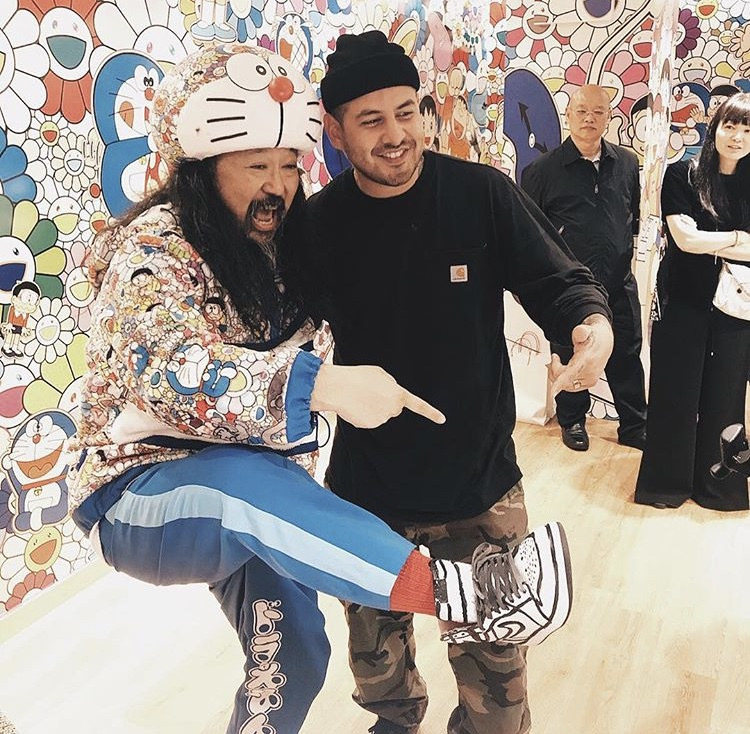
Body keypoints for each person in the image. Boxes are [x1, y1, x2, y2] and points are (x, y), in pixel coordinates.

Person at [67, 43, 575, 734]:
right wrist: (319, 385)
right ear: (200, 168)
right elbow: (162, 364)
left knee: (294, 654)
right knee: (249, 487)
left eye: (287, 165)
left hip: (288, 497)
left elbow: (546, 279)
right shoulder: (159, 245)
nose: (277, 185)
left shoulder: (286, 245)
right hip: (142, 490)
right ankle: (465, 593)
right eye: (256, 166)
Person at [302, 30, 615, 734]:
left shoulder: (481, 195)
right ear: (335, 131)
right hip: (366, 496)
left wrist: (590, 324)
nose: (395, 135)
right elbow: (277, 338)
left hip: (480, 489)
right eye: (371, 120)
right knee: (380, 679)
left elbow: (559, 280)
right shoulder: (317, 226)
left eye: (406, 112)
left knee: (497, 696)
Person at [635, 93, 750, 511]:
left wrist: (710, 241)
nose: (737, 137)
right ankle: (665, 486)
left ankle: (720, 488)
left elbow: (701, 240)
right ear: (714, 128)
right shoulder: (683, 174)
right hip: (682, 298)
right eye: (730, 126)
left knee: (727, 395)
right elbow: (683, 239)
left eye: (747, 130)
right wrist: (736, 239)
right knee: (674, 392)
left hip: (736, 305)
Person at [521, 84, 648, 452]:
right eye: (581, 111)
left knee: (626, 355)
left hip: (619, 281)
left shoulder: (627, 163)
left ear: (609, 117)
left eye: (598, 112)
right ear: (569, 115)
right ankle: (573, 420)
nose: (589, 118)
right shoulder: (541, 170)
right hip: (569, 288)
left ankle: (635, 425)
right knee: (570, 353)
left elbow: (632, 215)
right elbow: (530, 231)